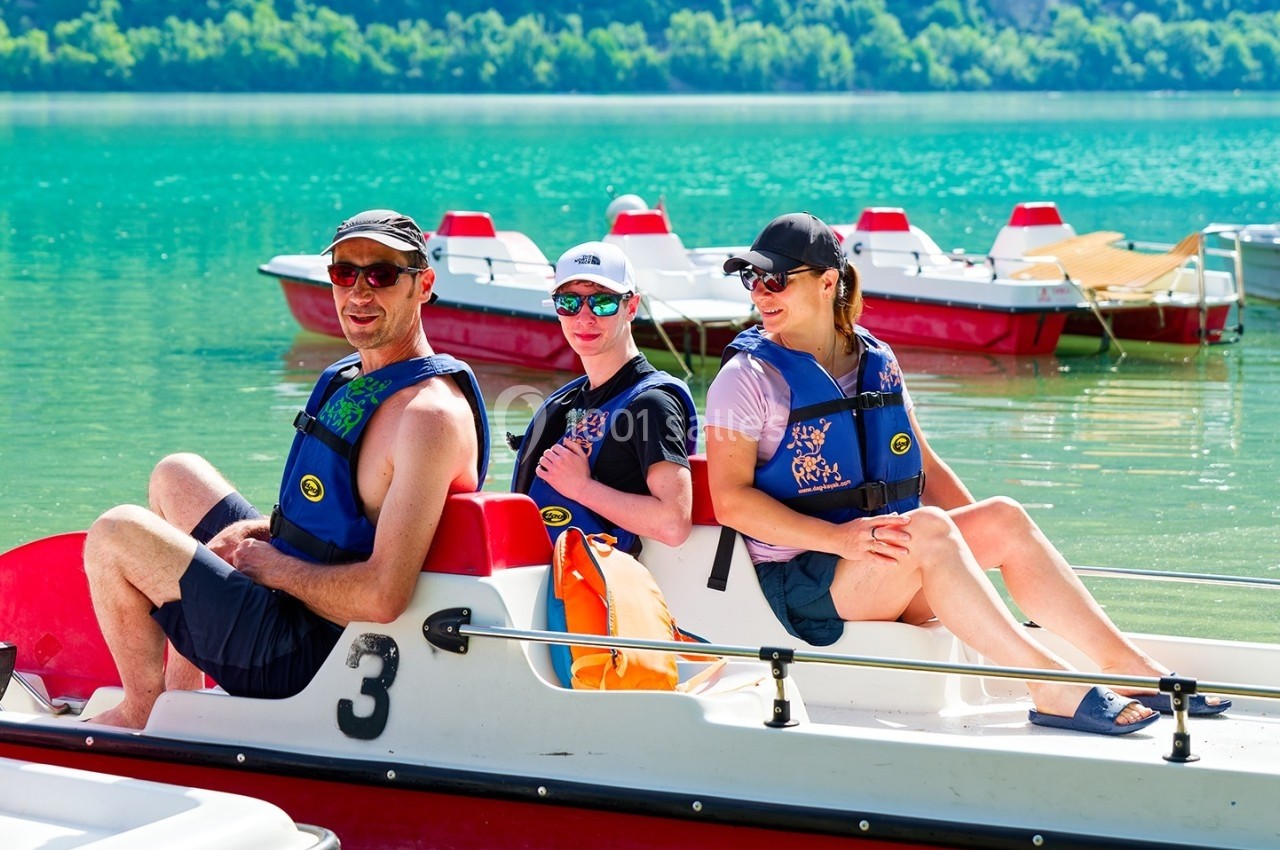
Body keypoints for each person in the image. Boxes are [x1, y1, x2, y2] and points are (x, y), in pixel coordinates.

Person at [703, 211, 1228, 736]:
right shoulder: (745, 379)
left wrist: (974, 552)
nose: (759, 294)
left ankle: (1124, 666)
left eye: (775, 279)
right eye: (751, 279)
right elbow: (730, 502)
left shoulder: (876, 360)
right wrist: (838, 539)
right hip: (802, 584)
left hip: (885, 563)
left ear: (827, 282)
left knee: (1003, 517)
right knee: (930, 529)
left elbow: (925, 469)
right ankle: (1049, 684)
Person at [83, 209, 490, 729]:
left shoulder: (427, 417)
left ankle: (140, 711)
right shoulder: (353, 378)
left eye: (382, 275)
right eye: (345, 273)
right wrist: (259, 534)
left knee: (116, 533)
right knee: (176, 473)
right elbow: (334, 520)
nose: (359, 293)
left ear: (423, 285)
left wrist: (266, 564)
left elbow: (383, 598)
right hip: (291, 597)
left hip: (311, 651)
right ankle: (180, 702)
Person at [510, 240, 697, 554]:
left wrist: (581, 487)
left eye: (603, 302)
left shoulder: (653, 404)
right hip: (553, 582)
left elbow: (673, 523)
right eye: (569, 302)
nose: (584, 317)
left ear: (631, 307)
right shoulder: (567, 403)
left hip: (605, 590)